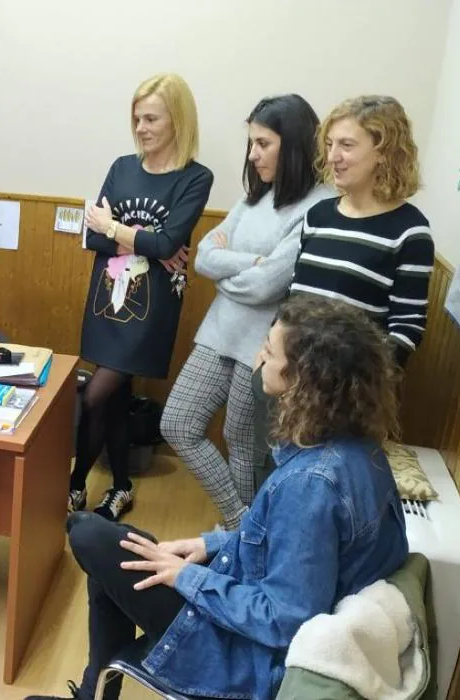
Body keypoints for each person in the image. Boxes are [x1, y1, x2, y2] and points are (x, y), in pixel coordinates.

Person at [26, 296, 409, 700]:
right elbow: (293, 551)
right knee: (112, 543)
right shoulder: (358, 450)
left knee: (90, 535)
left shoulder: (313, 484)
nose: (260, 354)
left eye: (270, 350)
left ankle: (92, 694)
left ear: (304, 377)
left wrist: (187, 577)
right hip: (248, 602)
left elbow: (283, 620)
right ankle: (93, 693)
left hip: (246, 652)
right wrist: (208, 544)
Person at [159, 95, 331, 530]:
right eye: (251, 143)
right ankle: (243, 527)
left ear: (291, 145)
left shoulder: (317, 206)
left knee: (243, 445)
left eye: (263, 143)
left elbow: (267, 285)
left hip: (262, 347)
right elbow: (203, 256)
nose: (252, 154)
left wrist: (233, 265)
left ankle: (244, 541)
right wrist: (249, 262)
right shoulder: (256, 195)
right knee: (177, 422)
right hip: (219, 332)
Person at [251, 95, 434, 483]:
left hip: (340, 402)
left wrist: (353, 388)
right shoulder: (318, 216)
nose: (333, 156)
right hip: (283, 380)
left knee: (315, 493)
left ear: (384, 152)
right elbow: (295, 297)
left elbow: (406, 328)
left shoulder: (409, 230)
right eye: (330, 144)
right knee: (267, 479)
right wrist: (270, 348)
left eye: (347, 145)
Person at [72, 73, 214, 521]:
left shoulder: (195, 179)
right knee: (113, 397)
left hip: (150, 310)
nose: (142, 128)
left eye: (151, 118)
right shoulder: (121, 167)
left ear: (178, 120)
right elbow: (95, 240)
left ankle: (72, 487)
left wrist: (115, 228)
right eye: (137, 119)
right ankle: (120, 487)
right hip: (106, 301)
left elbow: (168, 242)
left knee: (95, 395)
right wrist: (144, 241)